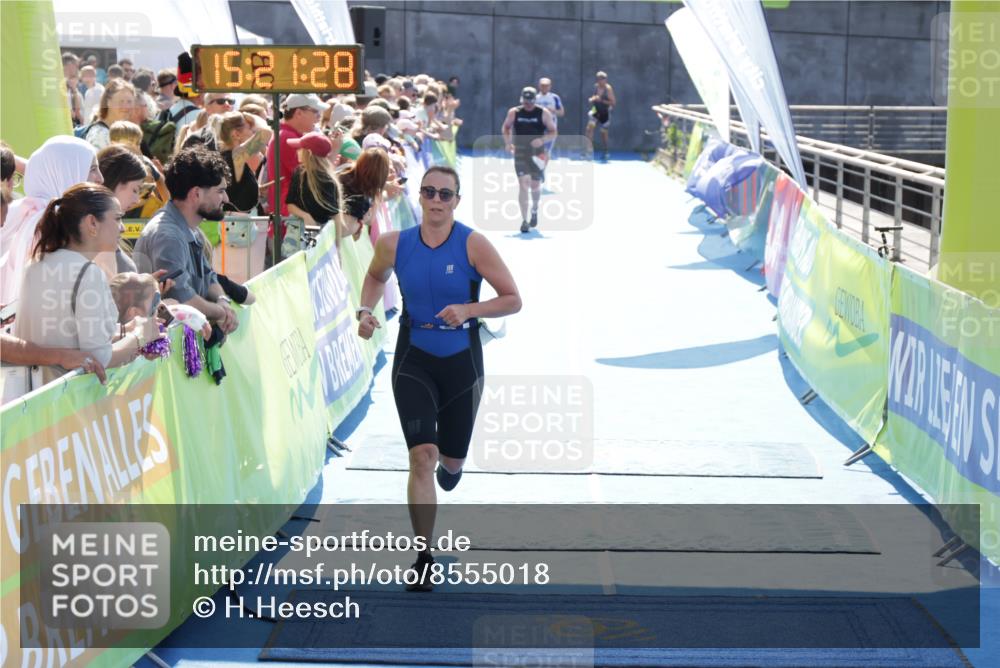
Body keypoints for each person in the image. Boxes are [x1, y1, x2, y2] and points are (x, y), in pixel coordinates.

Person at [357, 165, 522, 591]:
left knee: (449, 463)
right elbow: (375, 276)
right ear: (419, 197)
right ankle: (423, 556)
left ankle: (453, 467)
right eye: (428, 192)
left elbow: (512, 299)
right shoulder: (395, 243)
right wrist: (365, 311)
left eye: (444, 194)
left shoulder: (473, 244)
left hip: (461, 363)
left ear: (456, 201)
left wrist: (469, 310)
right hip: (413, 357)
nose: (435, 200)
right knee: (422, 457)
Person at [12, 183, 161, 385]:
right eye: (117, 218)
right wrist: (141, 336)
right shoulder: (88, 273)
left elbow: (69, 336)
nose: (123, 228)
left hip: (30, 395)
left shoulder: (36, 264)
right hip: (67, 399)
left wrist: (126, 331)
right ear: (92, 222)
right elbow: (100, 358)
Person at [133, 148, 239, 334]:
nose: (226, 198)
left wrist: (222, 300)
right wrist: (223, 312)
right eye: (220, 191)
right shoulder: (168, 236)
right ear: (196, 194)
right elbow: (184, 300)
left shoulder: (187, 227)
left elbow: (208, 276)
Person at [0, 136, 102, 306]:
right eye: (92, 168)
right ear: (65, 171)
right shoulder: (51, 223)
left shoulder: (35, 215)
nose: (100, 178)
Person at [501, 86, 557, 233]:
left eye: (530, 102)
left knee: (535, 185)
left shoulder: (543, 113)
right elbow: (506, 127)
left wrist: (542, 140)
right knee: (523, 184)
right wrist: (508, 143)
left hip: (538, 153)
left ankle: (534, 209)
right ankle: (524, 220)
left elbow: (553, 132)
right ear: (522, 100)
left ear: (534, 100)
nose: (528, 105)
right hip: (520, 152)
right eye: (525, 102)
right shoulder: (514, 112)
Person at [264, 93, 326, 217]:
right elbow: (312, 178)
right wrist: (332, 152)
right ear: (298, 113)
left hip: (291, 213)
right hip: (291, 216)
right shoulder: (287, 137)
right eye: (316, 112)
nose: (319, 117)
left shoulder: (287, 135)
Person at [285, 131, 344, 230]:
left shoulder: (327, 180)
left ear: (308, 153)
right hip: (297, 229)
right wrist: (305, 216)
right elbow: (290, 204)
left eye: (300, 148)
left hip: (320, 233)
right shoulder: (299, 173)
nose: (297, 151)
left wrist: (336, 237)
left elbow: (335, 214)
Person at [217, 111, 272, 213]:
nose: (253, 133)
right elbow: (266, 133)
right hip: (239, 221)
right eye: (250, 128)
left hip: (236, 219)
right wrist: (252, 117)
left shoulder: (226, 155)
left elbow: (234, 189)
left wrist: (256, 189)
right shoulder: (236, 155)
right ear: (236, 134)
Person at [84, 79, 136, 150]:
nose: (126, 106)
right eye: (121, 101)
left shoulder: (120, 133)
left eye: (129, 102)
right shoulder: (100, 135)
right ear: (108, 102)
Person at [585, 71, 616, 161]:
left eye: (602, 79)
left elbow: (613, 103)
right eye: (598, 79)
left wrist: (602, 100)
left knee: (603, 133)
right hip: (595, 110)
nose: (600, 81)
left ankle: (606, 151)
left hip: (604, 112)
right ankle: (588, 151)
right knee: (589, 128)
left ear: (605, 80)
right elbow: (593, 97)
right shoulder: (596, 87)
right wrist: (592, 99)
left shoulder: (608, 89)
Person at [535, 77, 564, 154]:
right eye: (543, 85)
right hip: (538, 123)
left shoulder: (554, 97)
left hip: (550, 123)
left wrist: (553, 110)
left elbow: (561, 112)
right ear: (539, 86)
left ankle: (545, 156)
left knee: (547, 149)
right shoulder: (535, 97)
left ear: (550, 86)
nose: (544, 87)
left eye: (546, 86)